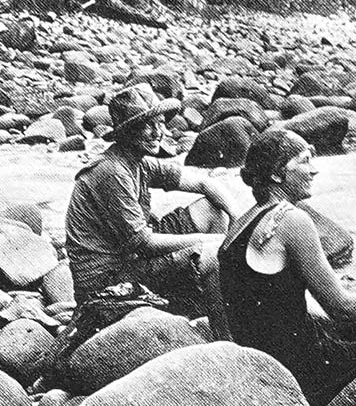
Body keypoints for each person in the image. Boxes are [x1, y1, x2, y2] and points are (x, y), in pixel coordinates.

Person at [219, 128, 356, 406]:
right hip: (304, 370)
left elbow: (267, 303)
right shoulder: (292, 220)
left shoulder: (240, 224)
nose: (314, 170)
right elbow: (340, 306)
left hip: (269, 361)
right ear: (277, 174)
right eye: (305, 160)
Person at [64, 84, 241, 316]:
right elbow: (143, 243)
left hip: (130, 257)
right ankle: (221, 327)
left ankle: (208, 297)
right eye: (148, 125)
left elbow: (204, 183)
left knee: (211, 209)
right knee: (211, 252)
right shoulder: (112, 171)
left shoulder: (139, 162)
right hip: (108, 279)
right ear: (128, 132)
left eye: (159, 123)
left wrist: (238, 221)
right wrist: (218, 240)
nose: (158, 132)